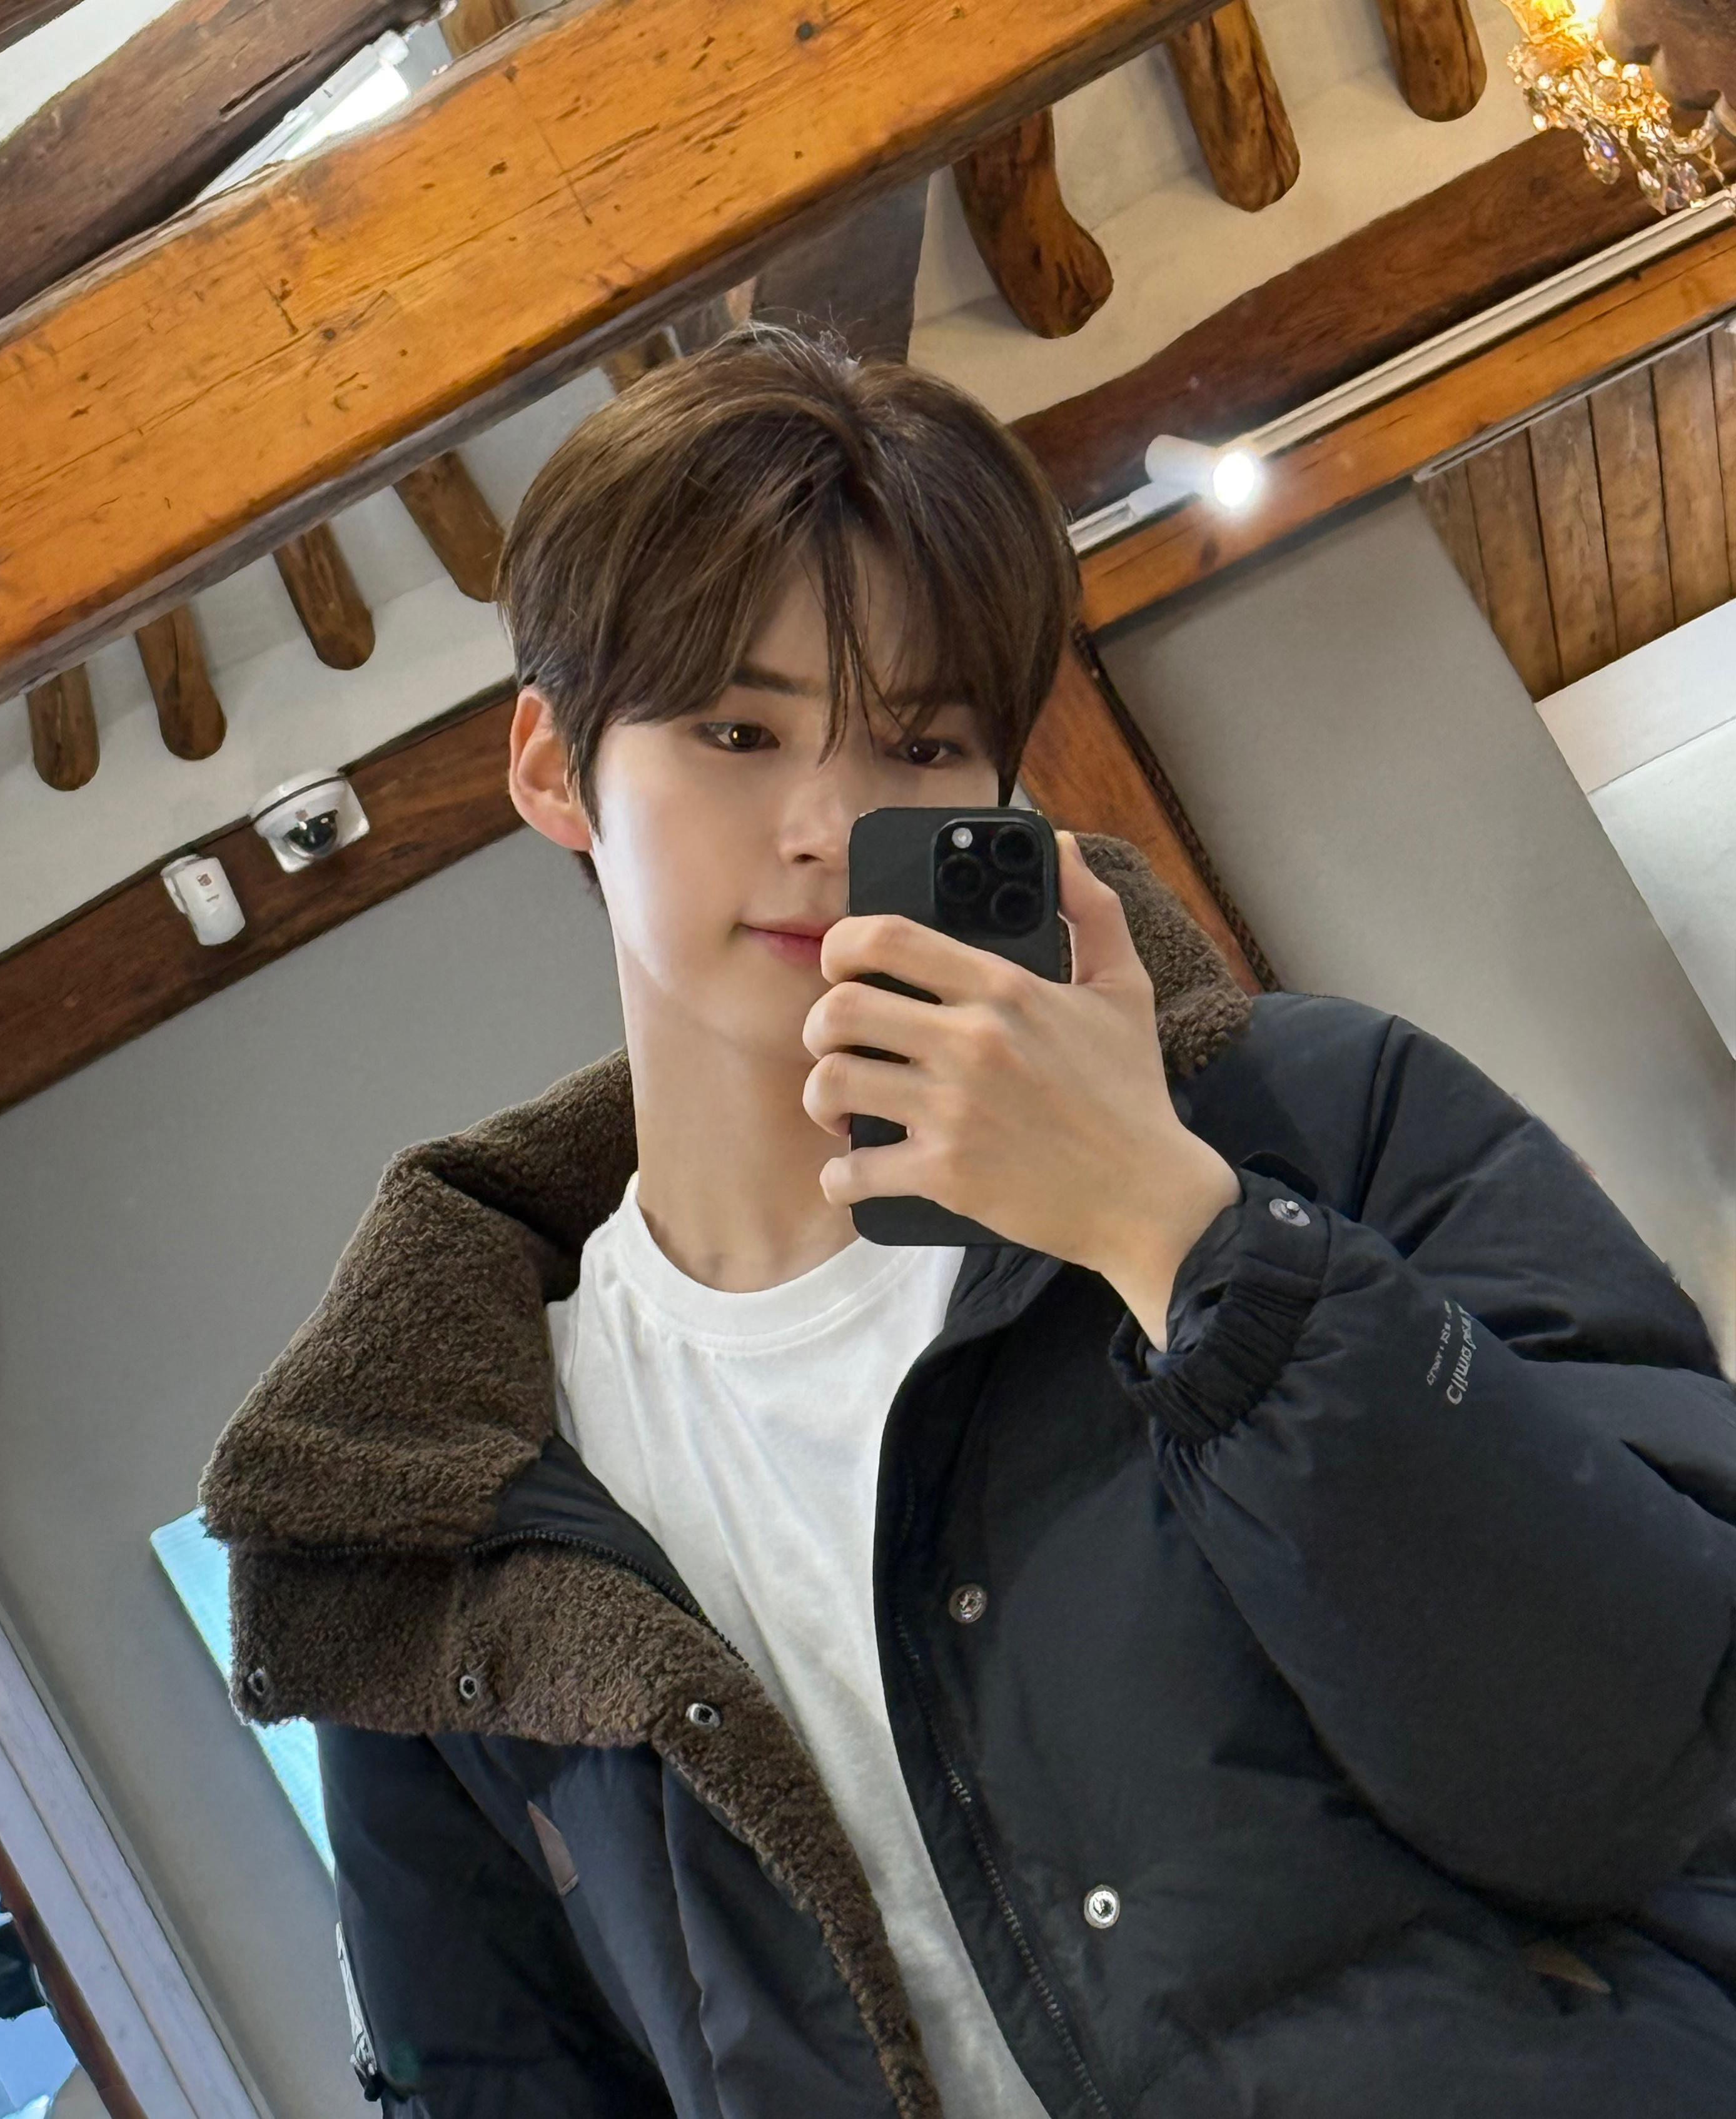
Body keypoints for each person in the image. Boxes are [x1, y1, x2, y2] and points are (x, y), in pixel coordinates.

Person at [201, 328, 1736, 2119]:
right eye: (736, 730)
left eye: (920, 743)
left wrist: (1185, 1237)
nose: (830, 820)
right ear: (554, 767)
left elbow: (1645, 1769)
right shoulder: (425, 1492)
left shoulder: (1319, 1123)